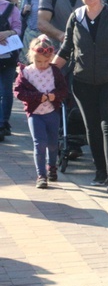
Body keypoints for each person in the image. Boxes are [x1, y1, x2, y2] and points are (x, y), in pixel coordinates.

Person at [53, 0, 108, 190]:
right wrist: (46, 71)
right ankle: (100, 171)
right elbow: (66, 49)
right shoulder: (76, 17)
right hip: (82, 81)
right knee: (92, 127)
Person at [14, 35, 68, 188]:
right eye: (39, 61)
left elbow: (63, 90)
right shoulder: (26, 72)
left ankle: (52, 167)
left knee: (52, 142)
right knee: (39, 143)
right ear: (31, 57)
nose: (43, 65)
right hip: (35, 114)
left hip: (52, 112)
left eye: (46, 61)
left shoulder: (54, 71)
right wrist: (38, 97)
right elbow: (19, 92)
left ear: (51, 57)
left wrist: (54, 96)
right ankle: (41, 175)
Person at [0, 0, 22, 140]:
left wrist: (6, 33)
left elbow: (18, 29)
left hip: (7, 56)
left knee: (6, 91)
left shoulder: (9, 7)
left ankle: (3, 123)